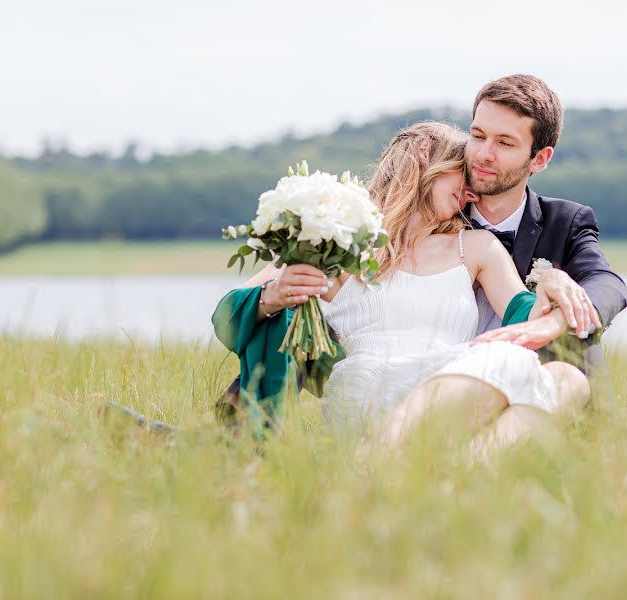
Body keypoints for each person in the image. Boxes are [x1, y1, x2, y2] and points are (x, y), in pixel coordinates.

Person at [229, 122, 591, 455]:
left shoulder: (476, 247)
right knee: (505, 363)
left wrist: (552, 280)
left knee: (569, 379)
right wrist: (272, 296)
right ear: (424, 156)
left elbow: (526, 315)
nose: (470, 192)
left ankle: (453, 474)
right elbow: (232, 310)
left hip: (456, 390)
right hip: (369, 387)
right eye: (461, 173)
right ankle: (378, 458)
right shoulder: (339, 245)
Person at [462, 74, 627, 397]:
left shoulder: (566, 222)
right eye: (477, 135)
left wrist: (553, 320)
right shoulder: (436, 216)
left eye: (505, 143)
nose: (484, 153)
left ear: (540, 159)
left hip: (540, 390)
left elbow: (608, 284)